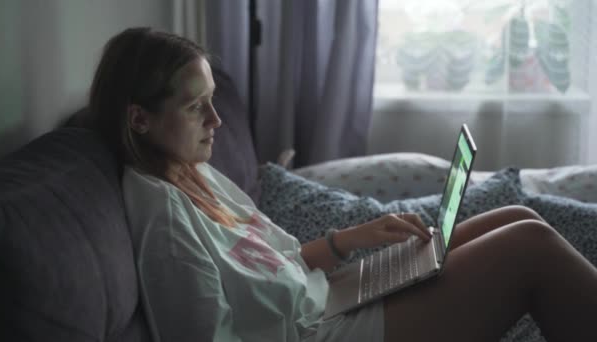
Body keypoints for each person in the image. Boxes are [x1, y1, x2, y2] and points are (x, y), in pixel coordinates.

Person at [87, 27, 597, 342]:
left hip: (330, 299)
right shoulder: (163, 218)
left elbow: (277, 264)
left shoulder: (194, 172)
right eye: (196, 106)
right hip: (324, 333)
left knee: (520, 218)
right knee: (531, 248)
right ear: (140, 119)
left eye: (213, 100)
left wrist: (353, 240)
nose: (216, 120)